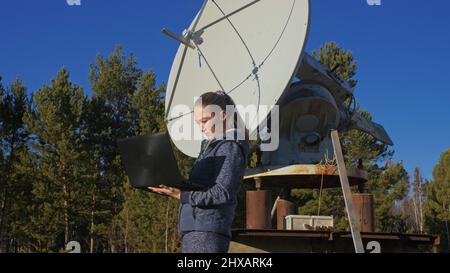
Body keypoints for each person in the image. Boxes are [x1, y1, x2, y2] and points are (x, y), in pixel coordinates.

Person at [149, 91, 250, 253]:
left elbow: (222, 193)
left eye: (205, 121)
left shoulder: (229, 147)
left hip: (206, 231)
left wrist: (182, 195)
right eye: (198, 123)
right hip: (197, 229)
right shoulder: (213, 147)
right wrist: (174, 185)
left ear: (223, 115)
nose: (202, 128)